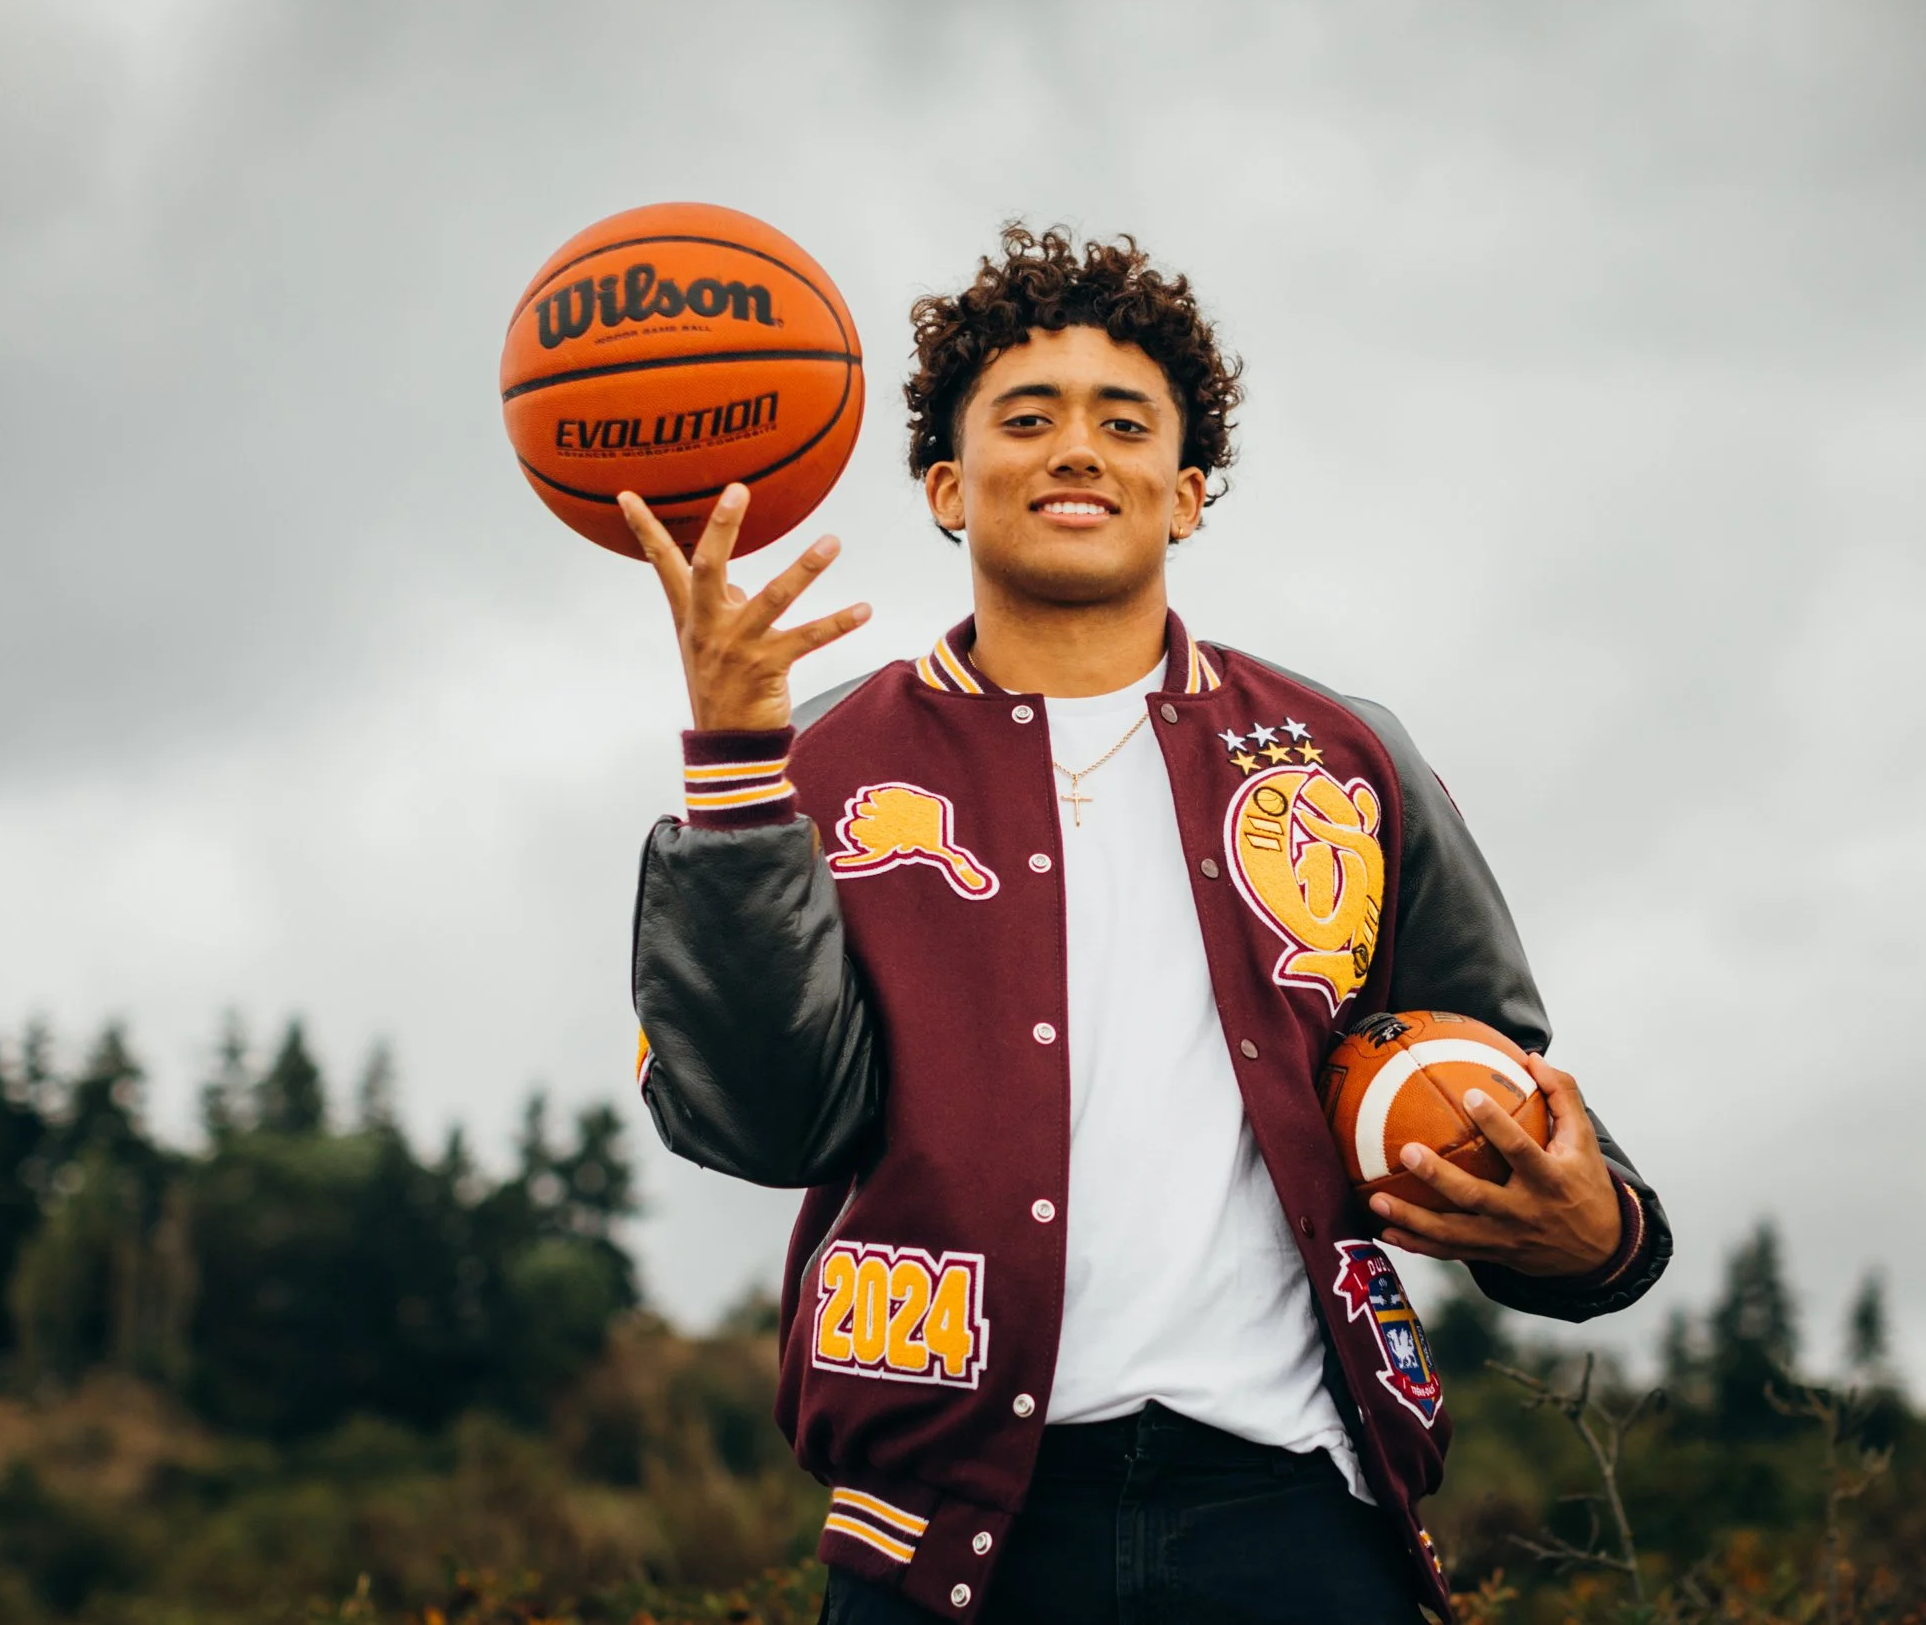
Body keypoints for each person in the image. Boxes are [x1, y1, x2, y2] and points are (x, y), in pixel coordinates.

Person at [619, 226, 1670, 1624]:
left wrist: (1603, 1230)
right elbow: (762, 1121)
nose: (1077, 449)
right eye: (1027, 416)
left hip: (1298, 1504)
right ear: (946, 481)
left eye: (1125, 423)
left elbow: (1477, 1077)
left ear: (1184, 494)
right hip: (945, 1536)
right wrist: (735, 787)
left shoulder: (1346, 756)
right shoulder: (802, 760)